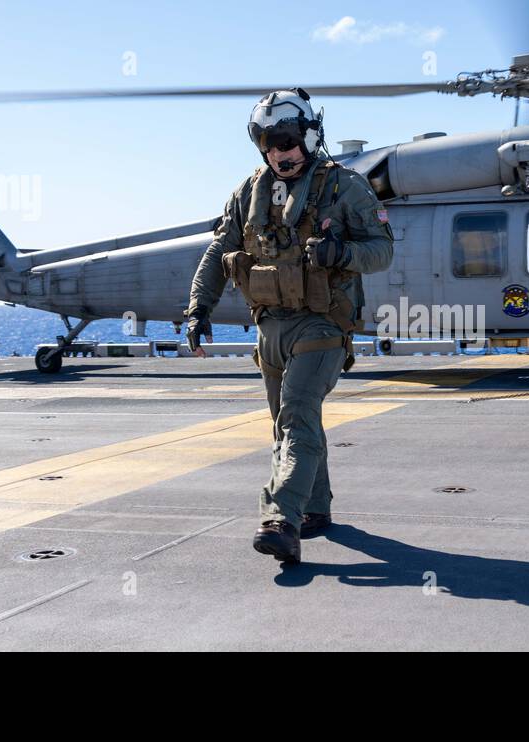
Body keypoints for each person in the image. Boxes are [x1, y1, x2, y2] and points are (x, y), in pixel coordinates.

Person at [186, 88, 394, 565]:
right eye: (267, 141)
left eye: (285, 138)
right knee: (289, 427)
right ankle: (316, 510)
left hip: (321, 324)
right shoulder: (248, 191)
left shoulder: (345, 187)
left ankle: (282, 519)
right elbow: (219, 252)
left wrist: (340, 253)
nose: (278, 150)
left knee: (297, 416)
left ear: (308, 134)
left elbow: (382, 251)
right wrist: (198, 309)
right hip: (270, 329)